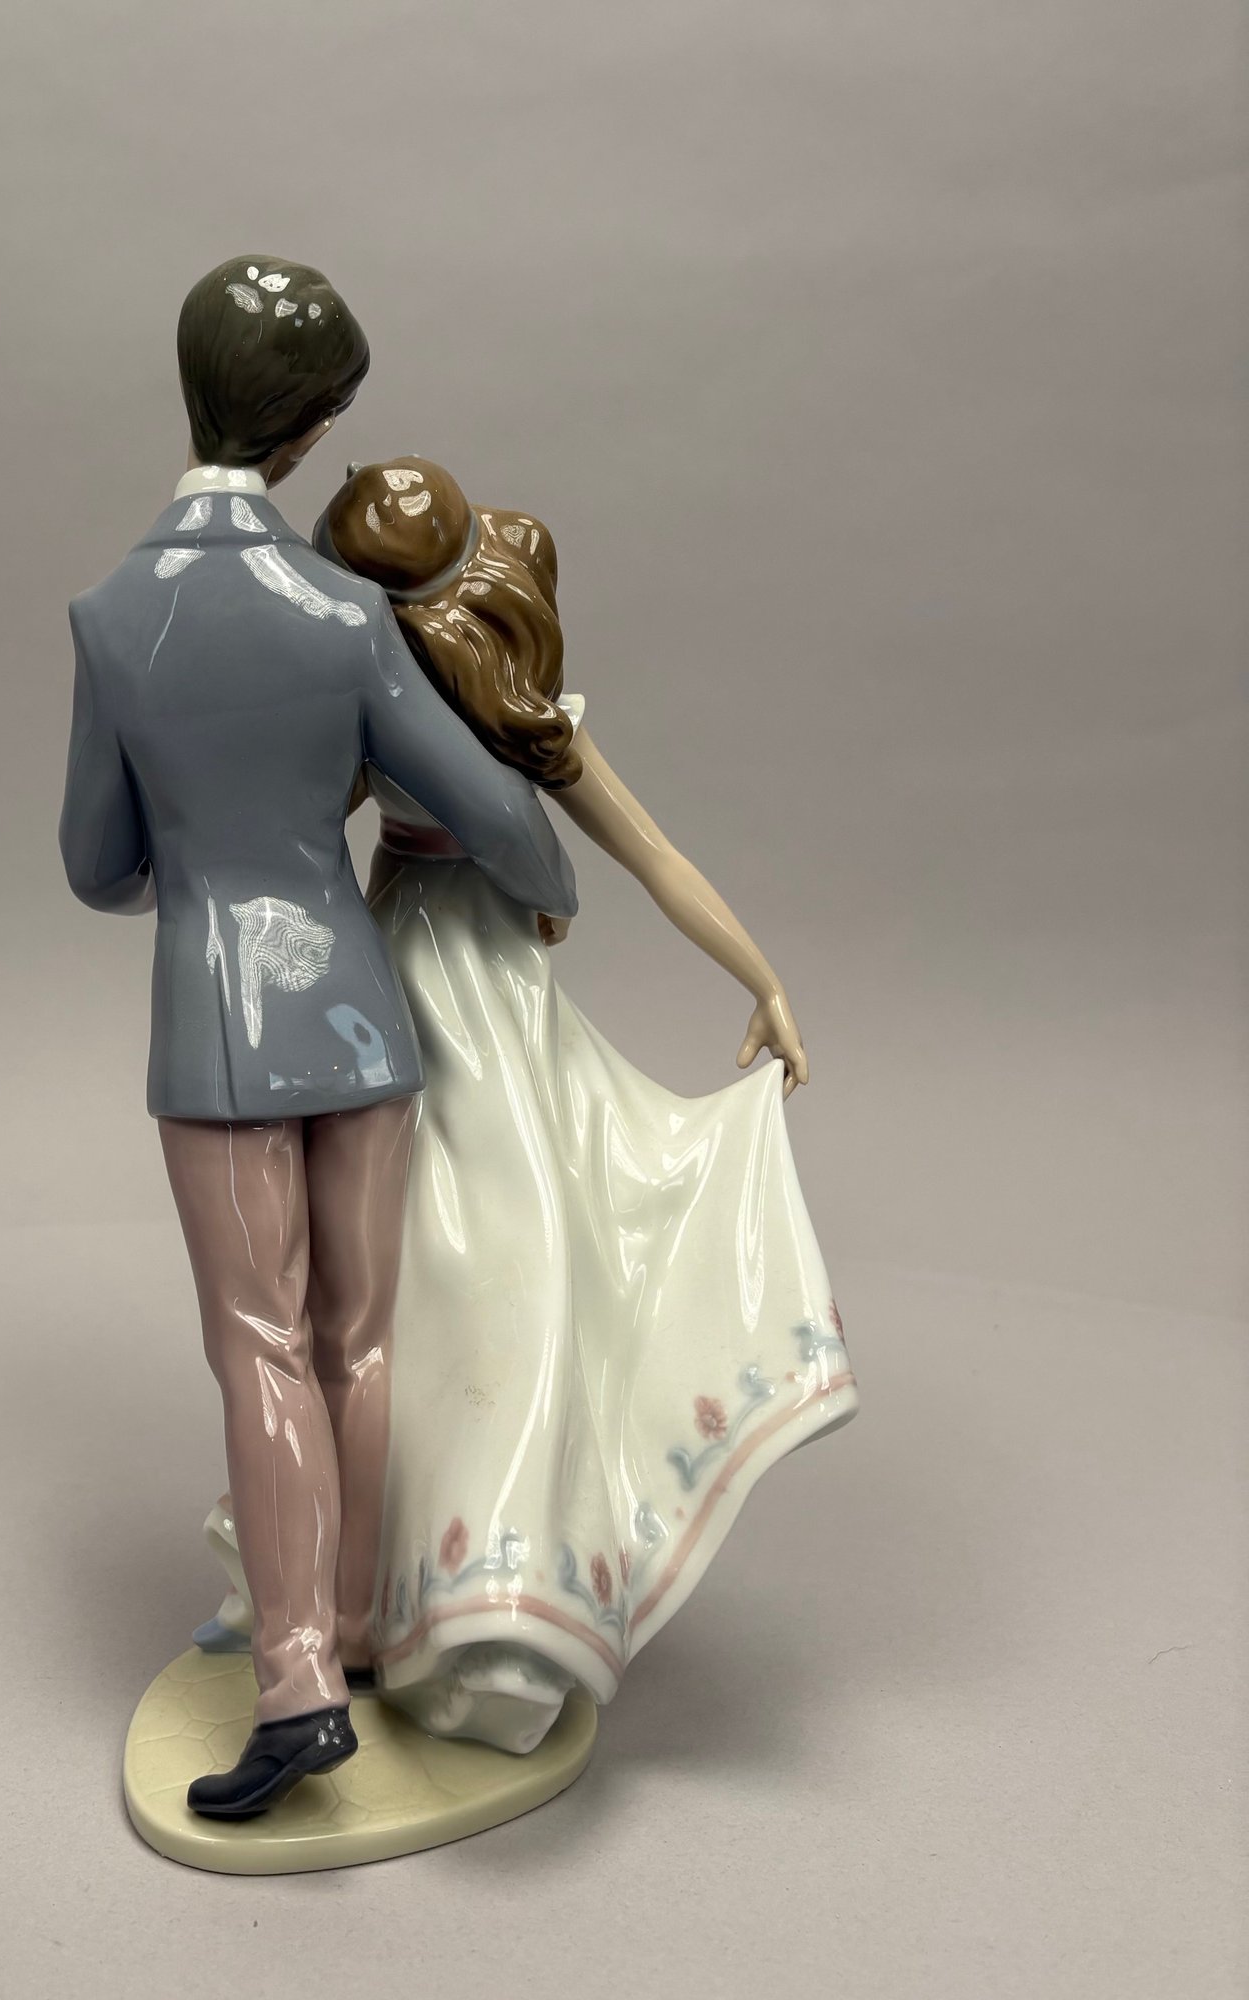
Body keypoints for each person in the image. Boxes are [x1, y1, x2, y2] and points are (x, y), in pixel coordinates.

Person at [201, 455, 858, 1755]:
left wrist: (764, 977)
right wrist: (764, 978)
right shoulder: (458, 710)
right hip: (446, 986)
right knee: (462, 1285)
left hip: (417, 978)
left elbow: (292, 836)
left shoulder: (387, 706)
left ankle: (436, 1599)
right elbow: (651, 855)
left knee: (446, 1287)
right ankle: (412, 1596)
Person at [60, 273, 576, 1817]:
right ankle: (353, 1630)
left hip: (216, 1023)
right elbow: (496, 817)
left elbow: (95, 864)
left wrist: (194, 854)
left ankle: (296, 1687)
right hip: (357, 1012)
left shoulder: (116, 616)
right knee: (360, 1336)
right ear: (309, 427)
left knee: (260, 1344)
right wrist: (547, 885)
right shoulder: (346, 613)